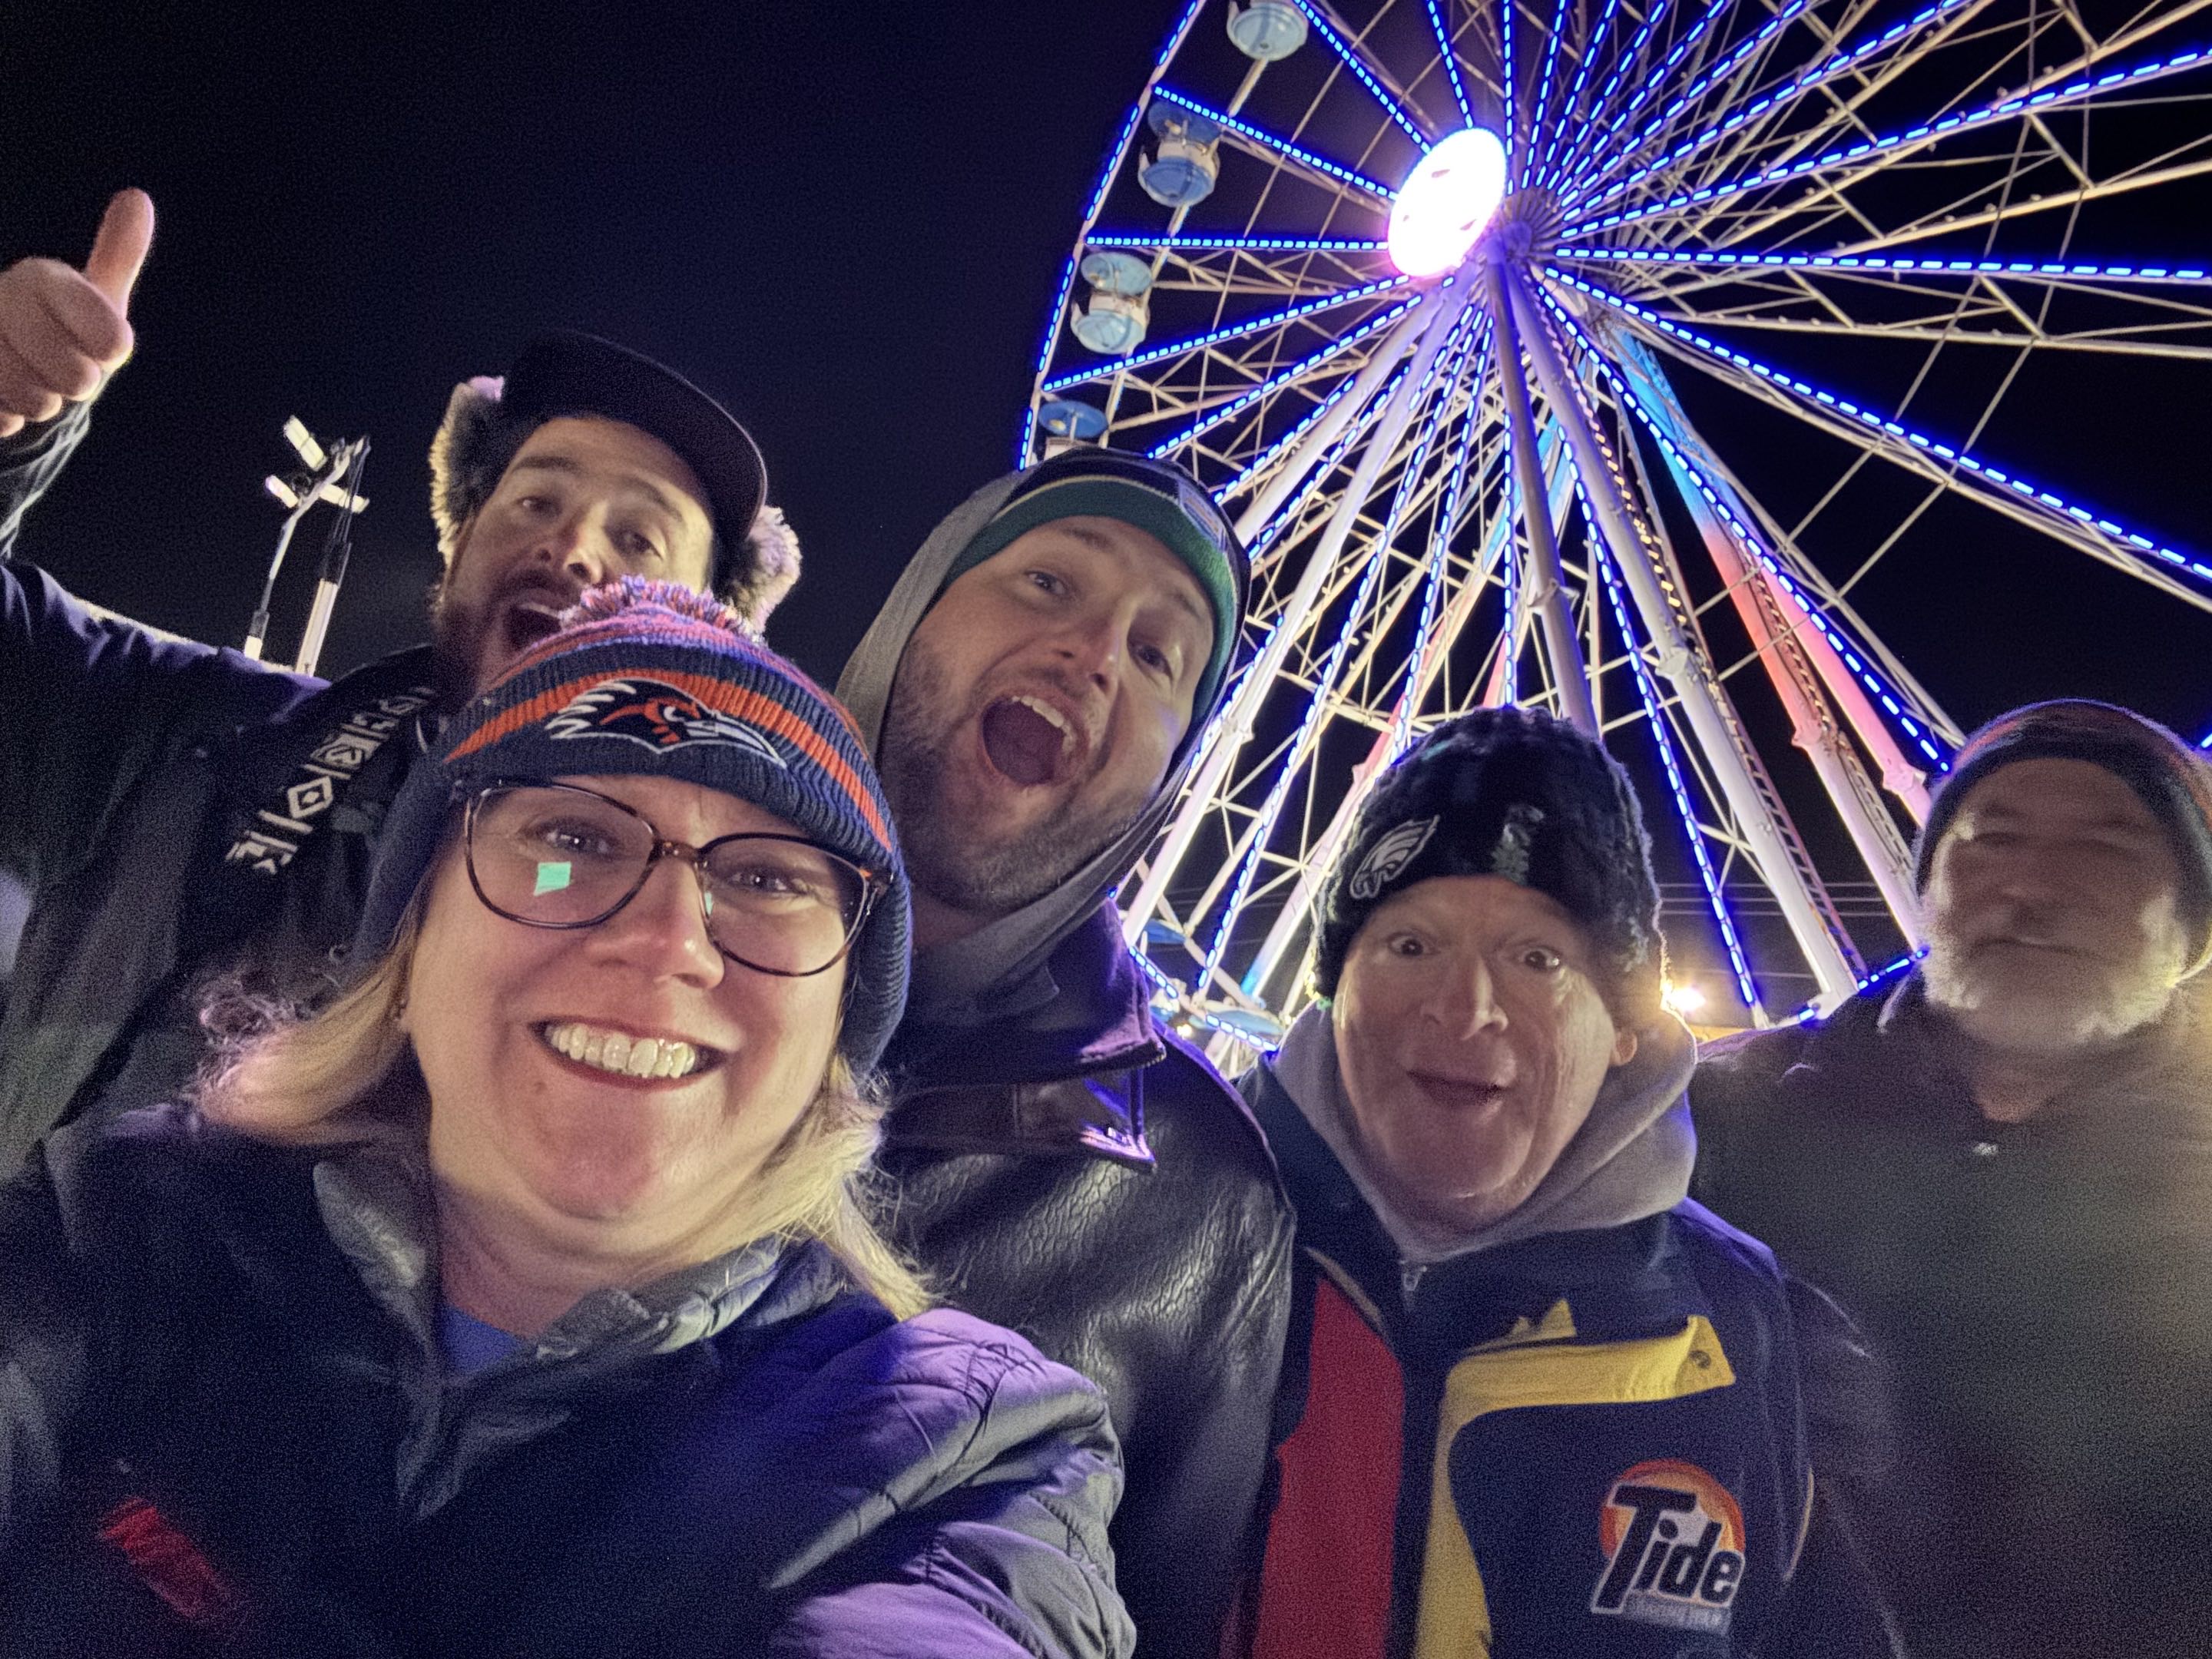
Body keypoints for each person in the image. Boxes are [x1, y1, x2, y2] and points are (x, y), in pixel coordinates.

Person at [0, 580, 1134, 1659]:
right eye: (575, 841)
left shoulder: (970, 1455)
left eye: (766, 879)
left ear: (839, 1024)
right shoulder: (127, 1225)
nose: (668, 943)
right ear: (410, 944)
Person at [0, 190, 798, 1171]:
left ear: (703, 634)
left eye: (638, 538)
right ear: (460, 542)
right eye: (536, 499)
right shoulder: (200, 736)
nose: (572, 547)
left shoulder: (691, 954)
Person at [1231, 707, 1895, 1657]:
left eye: (1537, 959)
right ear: (1337, 989)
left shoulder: (1743, 1332)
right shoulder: (1180, 1236)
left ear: (1625, 1027)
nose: (1465, 1009)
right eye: (1410, 945)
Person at [836, 446, 1294, 1657]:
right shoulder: (638, 948)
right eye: (1047, 583)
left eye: (1158, 657)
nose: (1094, 653)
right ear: (913, 610)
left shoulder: (1203, 1203)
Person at [1690, 697, 2212, 1658]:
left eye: (2107, 847)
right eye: (1991, 839)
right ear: (1929, 886)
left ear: (2193, 923)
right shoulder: (1721, 1119)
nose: (2034, 886)